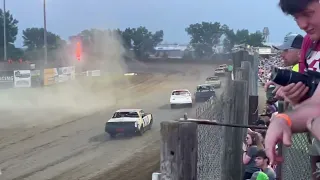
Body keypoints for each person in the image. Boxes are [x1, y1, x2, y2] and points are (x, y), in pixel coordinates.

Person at [265, 1, 320, 179]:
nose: (302, 24)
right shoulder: (308, 43)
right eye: (297, 18)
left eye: (308, 13)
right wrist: (284, 119)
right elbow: (315, 104)